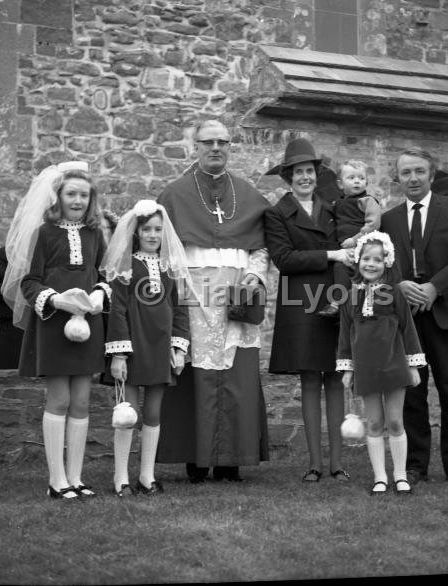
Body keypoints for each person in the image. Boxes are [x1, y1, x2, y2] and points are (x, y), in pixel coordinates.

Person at [156, 119, 270, 483]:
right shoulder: (173, 195)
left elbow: (261, 247)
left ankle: (229, 460)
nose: (216, 148)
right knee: (194, 376)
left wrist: (254, 275)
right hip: (192, 297)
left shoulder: (248, 194)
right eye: (208, 142)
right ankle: (196, 459)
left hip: (236, 296)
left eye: (223, 141)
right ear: (196, 146)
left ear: (230, 146)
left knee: (237, 377)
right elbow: (163, 250)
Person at [2, 161, 111, 500]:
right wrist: (58, 301)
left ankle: (76, 478)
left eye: (84, 194)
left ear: (91, 199)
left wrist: (97, 293)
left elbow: (105, 275)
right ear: (58, 197)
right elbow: (30, 282)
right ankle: (56, 480)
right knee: (60, 399)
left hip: (88, 325)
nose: (77, 200)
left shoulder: (95, 234)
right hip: (54, 325)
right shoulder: (44, 233)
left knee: (82, 401)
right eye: (71, 194)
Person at [380, 147, 448, 488]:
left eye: (419, 171)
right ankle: (414, 465)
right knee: (412, 392)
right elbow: (379, 262)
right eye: (406, 172)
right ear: (398, 178)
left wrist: (435, 288)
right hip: (406, 319)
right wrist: (401, 284)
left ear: (431, 175)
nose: (412, 178)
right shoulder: (389, 219)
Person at [264, 137, 353, 482]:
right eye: (298, 172)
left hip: (334, 298)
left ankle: (337, 464)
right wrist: (331, 255)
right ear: (288, 177)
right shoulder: (276, 214)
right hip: (299, 301)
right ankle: (315, 464)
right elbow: (284, 259)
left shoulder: (333, 209)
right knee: (310, 380)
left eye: (309, 171)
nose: (305, 177)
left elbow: (352, 247)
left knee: (335, 379)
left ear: (317, 175)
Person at [101, 199, 190, 497]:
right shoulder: (126, 266)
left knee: (153, 413)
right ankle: (121, 478)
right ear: (137, 231)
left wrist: (178, 349)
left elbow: (179, 310)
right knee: (128, 414)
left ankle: (147, 477)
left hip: (160, 349)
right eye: (147, 229)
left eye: (158, 230)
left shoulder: (170, 267)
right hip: (132, 347)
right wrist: (119, 355)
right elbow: (117, 311)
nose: (153, 235)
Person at [336, 231, 425, 495]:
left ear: (387, 262)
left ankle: (400, 475)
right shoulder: (350, 296)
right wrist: (347, 369)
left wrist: (413, 365)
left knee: (396, 422)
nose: (370, 264)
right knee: (374, 423)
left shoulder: (395, 292)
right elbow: (345, 334)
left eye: (377, 259)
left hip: (394, 365)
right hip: (366, 368)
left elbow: (408, 329)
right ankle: (380, 477)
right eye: (366, 258)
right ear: (358, 260)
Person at [317, 159, 382, 319]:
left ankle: (367, 306)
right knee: (340, 270)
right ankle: (337, 304)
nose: (357, 181)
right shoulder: (337, 203)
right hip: (345, 250)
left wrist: (355, 239)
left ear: (366, 181)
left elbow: (373, 224)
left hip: (364, 246)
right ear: (340, 184)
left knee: (364, 276)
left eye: (361, 178)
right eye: (351, 178)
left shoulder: (367, 201)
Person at [0, 246, 24, 369]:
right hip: (10, 317)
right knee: (8, 366)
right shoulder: (5, 253)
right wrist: (22, 295)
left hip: (39, 317)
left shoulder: (45, 250)